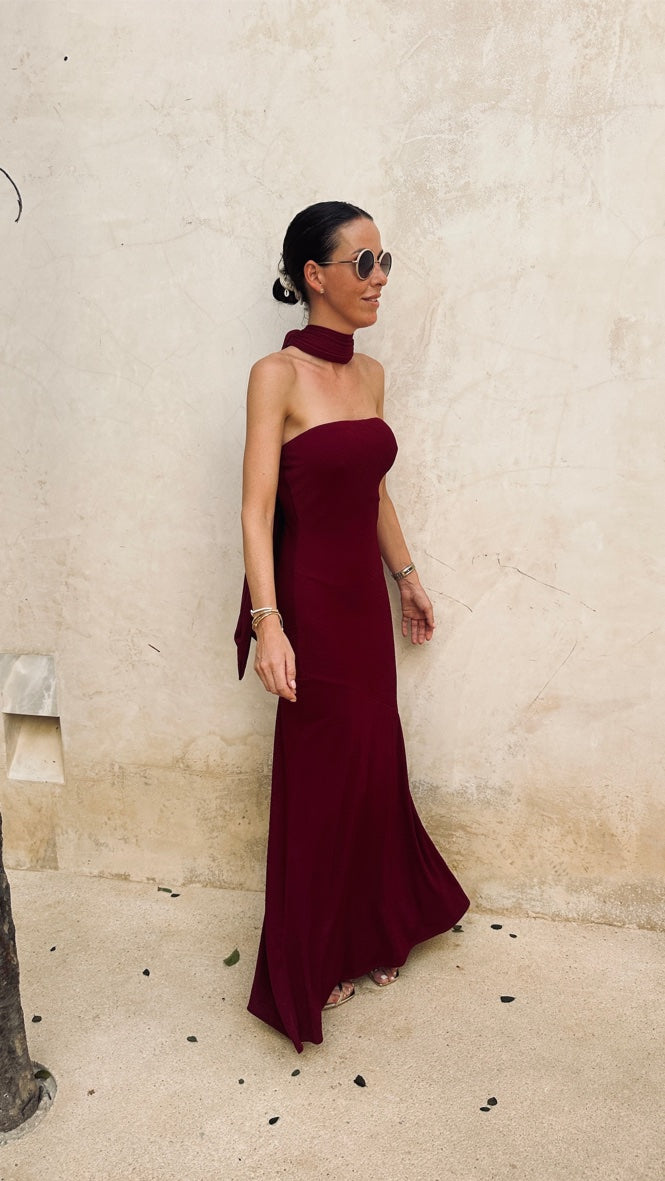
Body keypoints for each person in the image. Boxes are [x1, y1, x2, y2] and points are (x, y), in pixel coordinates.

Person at [235, 201, 469, 1052]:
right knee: (321, 777)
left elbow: (372, 492)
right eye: (362, 263)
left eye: (384, 261)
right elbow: (255, 509)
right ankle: (315, 950)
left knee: (372, 760)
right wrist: (269, 623)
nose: (378, 279)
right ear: (314, 275)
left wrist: (406, 577)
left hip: (363, 606)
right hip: (306, 602)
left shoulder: (368, 375)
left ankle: (373, 925)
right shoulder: (276, 375)